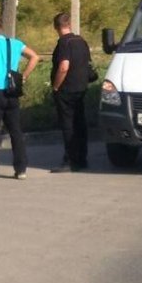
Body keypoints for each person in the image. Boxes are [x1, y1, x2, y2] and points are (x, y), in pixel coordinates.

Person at [0, 19, 39, 182]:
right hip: (12, 92)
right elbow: (34, 57)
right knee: (16, 131)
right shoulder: (16, 43)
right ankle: (21, 169)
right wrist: (23, 76)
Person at [50, 12, 91, 172]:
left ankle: (70, 159)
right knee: (80, 123)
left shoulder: (63, 43)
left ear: (56, 27)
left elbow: (64, 66)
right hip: (81, 87)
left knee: (68, 124)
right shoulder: (81, 41)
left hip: (66, 89)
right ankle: (82, 158)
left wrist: (56, 86)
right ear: (70, 24)